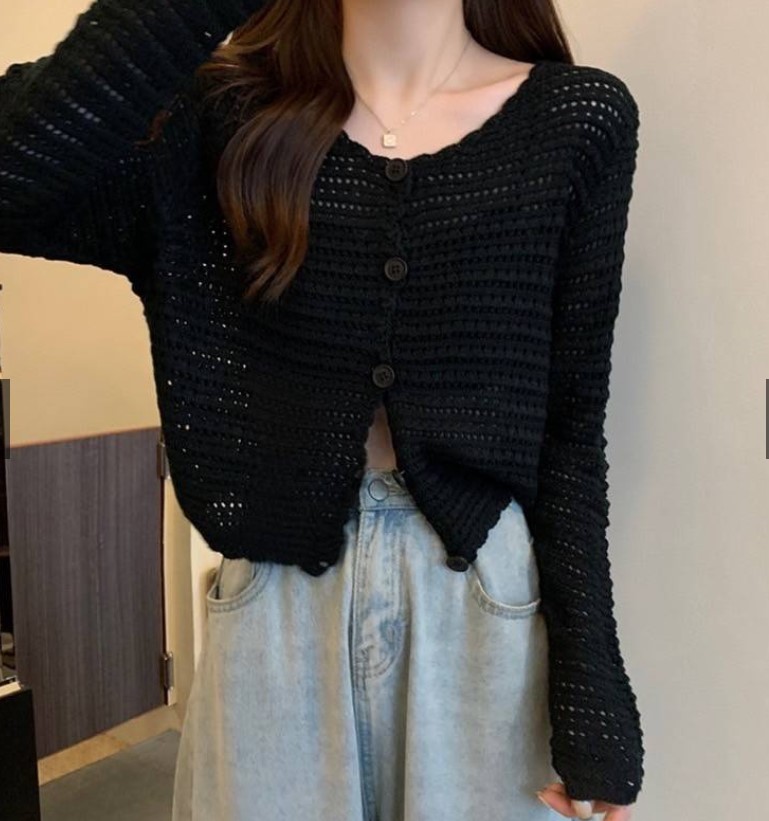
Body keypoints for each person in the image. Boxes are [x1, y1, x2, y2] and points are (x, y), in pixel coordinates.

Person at [0, 0, 645, 819]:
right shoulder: (220, 121)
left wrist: (593, 691)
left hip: (483, 602)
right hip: (274, 607)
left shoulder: (576, 120)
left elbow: (570, 425)